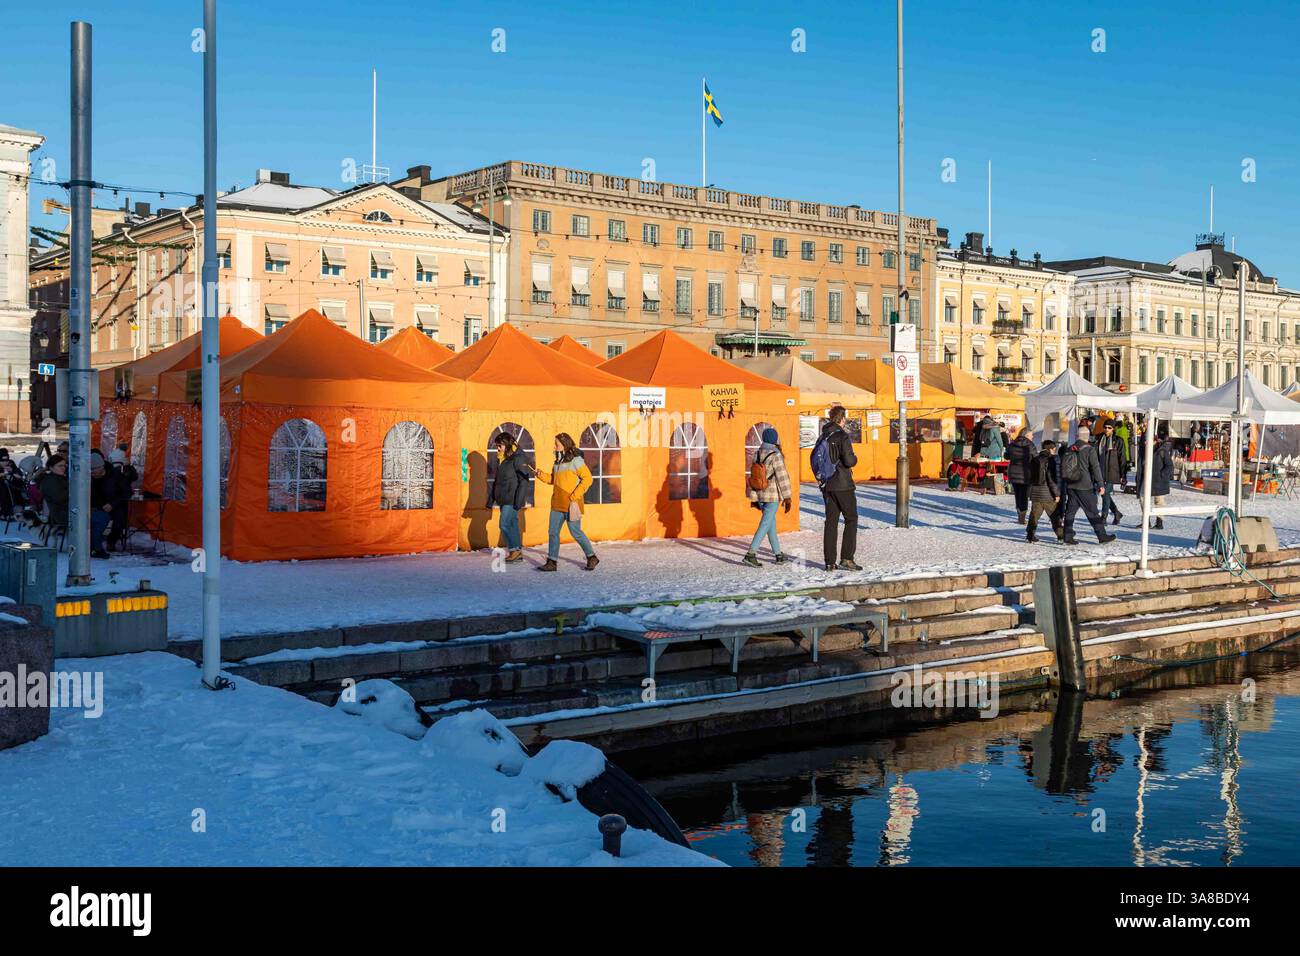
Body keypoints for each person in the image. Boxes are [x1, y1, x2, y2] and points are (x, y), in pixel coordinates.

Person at [533, 433, 598, 572]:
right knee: (553, 532)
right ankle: (552, 562)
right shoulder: (557, 462)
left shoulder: (576, 461)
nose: (554, 446)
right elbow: (553, 480)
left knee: (576, 532)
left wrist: (574, 496)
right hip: (557, 503)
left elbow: (588, 479)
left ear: (565, 444)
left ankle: (591, 557)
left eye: (556, 443)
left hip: (572, 504)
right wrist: (541, 475)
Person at [743, 426, 793, 567]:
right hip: (772, 496)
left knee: (771, 525)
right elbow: (782, 478)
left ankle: (778, 555)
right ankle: (751, 554)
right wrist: (788, 497)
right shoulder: (776, 455)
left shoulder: (757, 454)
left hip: (760, 494)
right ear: (775, 440)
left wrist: (753, 497)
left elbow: (753, 477)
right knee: (765, 524)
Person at [1059, 425, 1117, 546]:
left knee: (1070, 512)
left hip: (1071, 485)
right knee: (1092, 512)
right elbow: (1095, 468)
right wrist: (1101, 484)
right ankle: (1102, 536)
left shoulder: (1070, 448)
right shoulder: (1089, 449)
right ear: (1087, 436)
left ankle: (1067, 535)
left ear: (1077, 436)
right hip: (1084, 486)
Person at [818, 406, 860, 572]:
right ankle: (847, 558)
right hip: (843, 484)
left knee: (831, 522)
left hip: (827, 484)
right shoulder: (842, 436)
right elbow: (849, 461)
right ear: (842, 419)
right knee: (851, 518)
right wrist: (855, 458)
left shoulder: (823, 436)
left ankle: (829, 562)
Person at [489, 432, 531, 564]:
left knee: (504, 524)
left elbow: (524, 480)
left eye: (499, 445)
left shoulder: (518, 458)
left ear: (507, 444)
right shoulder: (503, 458)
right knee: (512, 524)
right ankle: (516, 551)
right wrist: (491, 498)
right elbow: (498, 480)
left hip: (512, 498)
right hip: (504, 497)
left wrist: (519, 500)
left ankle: (515, 550)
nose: (498, 449)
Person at [1026, 440, 1064, 543]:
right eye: (1054, 449)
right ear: (1050, 449)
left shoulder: (1035, 459)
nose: (1054, 451)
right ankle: (1061, 536)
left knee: (1034, 515)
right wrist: (1057, 494)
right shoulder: (1050, 460)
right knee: (1054, 516)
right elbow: (1051, 479)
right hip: (1047, 494)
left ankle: (1030, 536)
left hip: (1035, 493)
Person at [1096, 419, 1129, 525]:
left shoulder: (1118, 440)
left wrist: (1123, 474)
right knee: (1104, 494)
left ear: (1113, 429)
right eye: (1105, 427)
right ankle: (1116, 513)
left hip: (1112, 471)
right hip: (1100, 470)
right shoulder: (1099, 438)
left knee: (1105, 493)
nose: (1107, 429)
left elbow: (1122, 458)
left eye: (1109, 428)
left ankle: (1103, 517)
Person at [1006, 427, 1036, 524]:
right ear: (1026, 435)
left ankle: (1020, 515)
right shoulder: (1030, 445)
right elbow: (1035, 458)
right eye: (1031, 435)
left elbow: (1006, 456)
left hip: (1013, 473)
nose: (1033, 436)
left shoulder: (1013, 443)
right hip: (1025, 474)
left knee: (1018, 495)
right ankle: (1022, 518)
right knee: (1024, 496)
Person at [1147, 424, 1174, 529]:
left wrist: (1162, 475)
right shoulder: (1149, 450)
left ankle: (1159, 522)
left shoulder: (1162, 451)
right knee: (1145, 500)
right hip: (1151, 479)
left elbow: (1169, 466)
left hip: (1160, 480)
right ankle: (1147, 521)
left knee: (1159, 502)